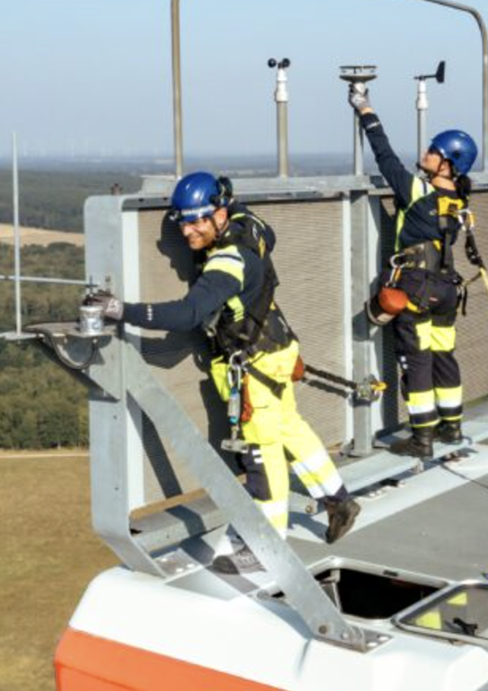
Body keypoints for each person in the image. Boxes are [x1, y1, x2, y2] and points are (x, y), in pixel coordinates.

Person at [95, 172, 361, 549]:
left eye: (197, 220)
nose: (188, 232)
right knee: (289, 427)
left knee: (261, 451)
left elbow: (188, 313)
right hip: (275, 346)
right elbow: (270, 234)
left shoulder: (229, 261)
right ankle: (339, 501)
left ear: (218, 214)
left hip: (255, 363)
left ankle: (268, 545)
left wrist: (121, 310)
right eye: (182, 221)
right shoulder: (248, 224)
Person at [351, 87, 478, 458]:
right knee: (443, 356)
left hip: (416, 287)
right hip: (446, 290)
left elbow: (385, 157)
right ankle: (451, 427)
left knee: (416, 361)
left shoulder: (420, 193)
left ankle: (422, 437)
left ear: (448, 163)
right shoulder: (457, 201)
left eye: (434, 151)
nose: (426, 153)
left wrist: (366, 111)